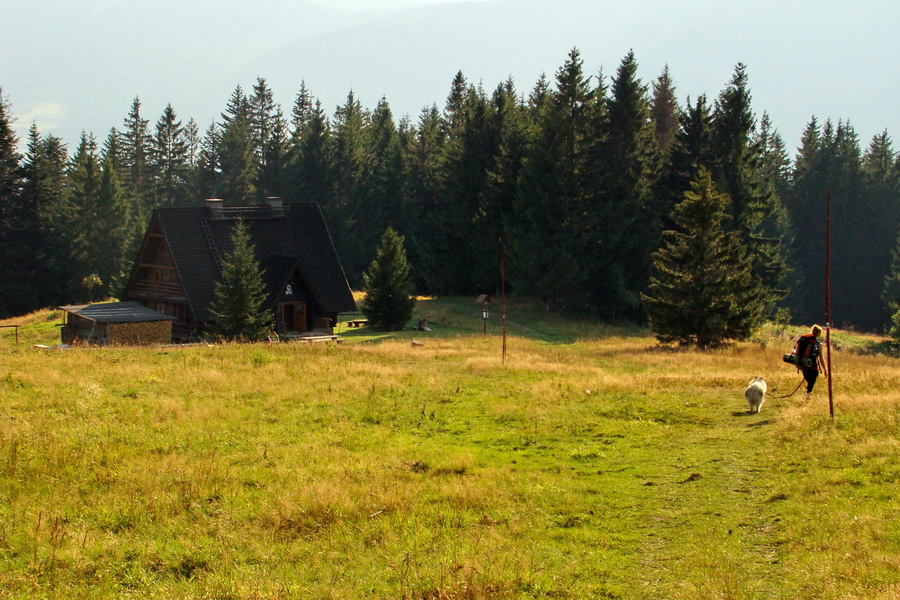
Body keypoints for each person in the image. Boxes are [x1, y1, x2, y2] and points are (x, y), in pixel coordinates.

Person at [793, 324, 828, 396]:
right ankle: (805, 400)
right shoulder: (818, 344)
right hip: (813, 367)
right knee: (811, 385)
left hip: (803, 365)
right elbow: (821, 358)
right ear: (819, 333)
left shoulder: (803, 340)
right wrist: (825, 369)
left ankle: (805, 398)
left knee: (809, 384)